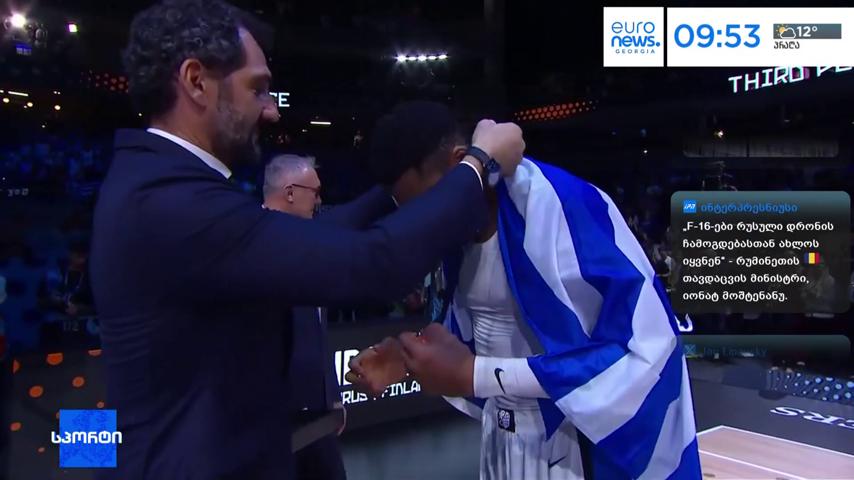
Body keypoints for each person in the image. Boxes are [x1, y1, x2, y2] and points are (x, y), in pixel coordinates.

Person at [89, 1, 525, 479]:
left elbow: (317, 237)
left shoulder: (159, 184)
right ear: (196, 81)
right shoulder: (172, 202)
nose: (272, 110)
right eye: (257, 88)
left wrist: (400, 180)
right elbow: (372, 265)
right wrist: (477, 164)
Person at [347, 101, 701, 480]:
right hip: (499, 436)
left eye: (429, 203)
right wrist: (408, 359)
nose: (425, 223)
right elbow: (480, 340)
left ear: (462, 162)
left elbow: (647, 349)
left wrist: (476, 374)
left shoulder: (564, 205)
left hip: (571, 442)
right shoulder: (454, 237)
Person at [262, 154, 346, 480]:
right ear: (290, 192)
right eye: (315, 192)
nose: (319, 201)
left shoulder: (311, 249)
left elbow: (318, 331)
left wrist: (332, 396)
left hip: (316, 417)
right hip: (268, 420)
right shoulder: (248, 244)